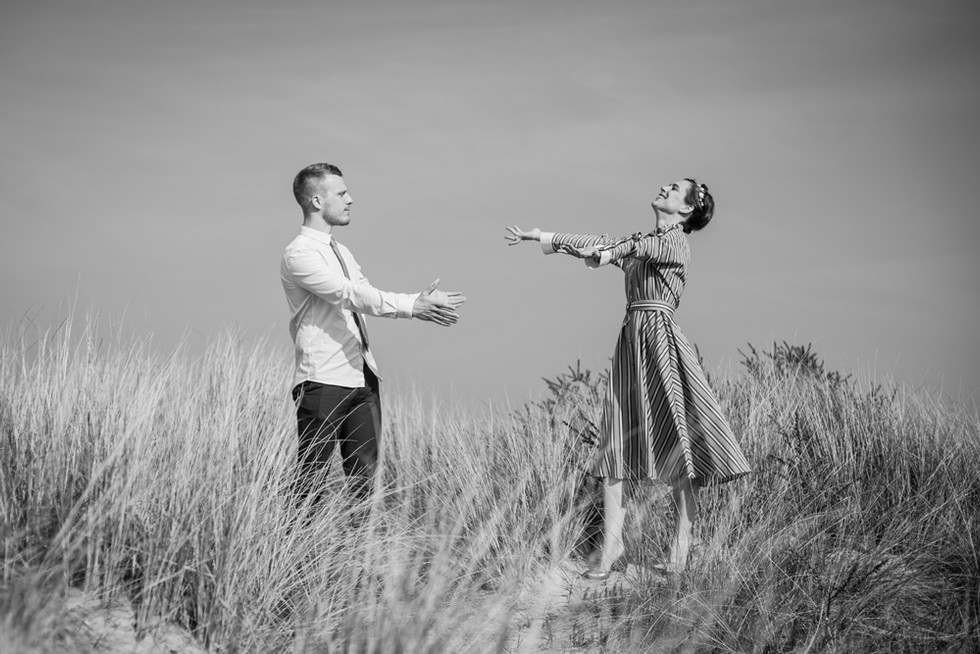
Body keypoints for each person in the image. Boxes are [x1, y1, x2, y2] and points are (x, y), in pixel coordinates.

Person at [505, 177, 750, 579]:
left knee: (678, 444)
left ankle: (682, 547)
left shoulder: (673, 243)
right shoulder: (642, 243)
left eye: (674, 189)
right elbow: (606, 242)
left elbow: (629, 247)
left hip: (661, 343)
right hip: (631, 344)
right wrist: (542, 237)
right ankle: (610, 546)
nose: (665, 188)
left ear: (686, 209)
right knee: (615, 443)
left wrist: (605, 255)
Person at [282, 162, 466, 503]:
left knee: (366, 484)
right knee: (311, 482)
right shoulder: (299, 254)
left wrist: (418, 301)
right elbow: (349, 294)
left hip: (363, 379)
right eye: (341, 193)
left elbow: (366, 292)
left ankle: (361, 542)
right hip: (323, 379)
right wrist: (412, 306)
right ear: (317, 201)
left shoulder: (342, 252)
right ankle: (297, 541)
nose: (350, 199)